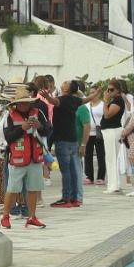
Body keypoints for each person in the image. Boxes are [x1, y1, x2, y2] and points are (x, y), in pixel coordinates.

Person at [0, 97, 46, 228]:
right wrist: (22, 128)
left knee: (33, 188)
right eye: (22, 102)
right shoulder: (9, 116)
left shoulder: (38, 113)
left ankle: (31, 217)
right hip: (17, 158)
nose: (25, 104)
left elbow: (48, 130)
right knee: (12, 189)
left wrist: (40, 126)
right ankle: (5, 216)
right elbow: (8, 137)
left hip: (35, 158)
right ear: (16, 104)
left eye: (27, 102)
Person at [51, 80, 84, 208]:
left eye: (65, 82)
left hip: (62, 140)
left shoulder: (62, 99)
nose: (63, 82)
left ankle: (66, 199)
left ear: (67, 88)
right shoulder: (75, 101)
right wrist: (95, 94)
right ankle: (75, 198)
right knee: (73, 170)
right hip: (73, 139)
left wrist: (47, 96)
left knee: (65, 171)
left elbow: (54, 102)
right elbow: (85, 99)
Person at [99, 88, 125, 195]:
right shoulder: (115, 100)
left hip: (112, 131)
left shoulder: (118, 101)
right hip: (110, 131)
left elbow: (107, 115)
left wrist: (105, 101)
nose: (108, 91)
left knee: (111, 158)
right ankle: (115, 184)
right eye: (107, 89)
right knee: (112, 158)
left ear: (117, 91)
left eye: (111, 89)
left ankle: (113, 186)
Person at [81, 85, 106, 188]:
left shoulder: (103, 104)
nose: (91, 94)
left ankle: (101, 177)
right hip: (88, 133)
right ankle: (89, 176)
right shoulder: (86, 105)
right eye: (90, 92)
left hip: (99, 133)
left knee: (100, 155)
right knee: (88, 155)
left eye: (93, 92)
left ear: (98, 93)